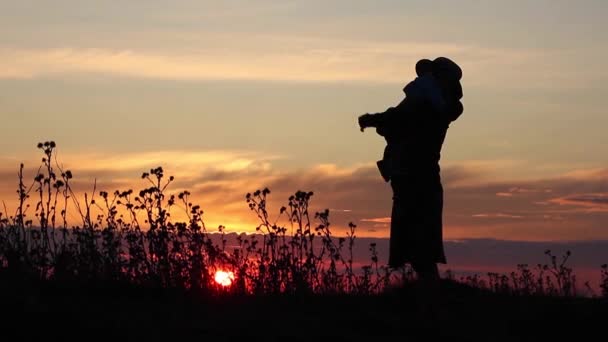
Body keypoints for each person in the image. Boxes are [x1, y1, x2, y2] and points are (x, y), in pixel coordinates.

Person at [358, 57, 463, 291]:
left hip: (416, 178)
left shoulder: (432, 104)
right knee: (418, 244)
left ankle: (430, 296)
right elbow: (396, 119)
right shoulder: (436, 103)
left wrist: (374, 120)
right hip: (415, 177)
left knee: (419, 243)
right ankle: (429, 293)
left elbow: (396, 119)